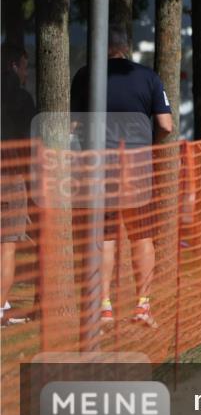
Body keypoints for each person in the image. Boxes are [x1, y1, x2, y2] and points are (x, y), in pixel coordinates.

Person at [69, 27, 173, 330]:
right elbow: (166, 124)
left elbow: (74, 125)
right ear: (125, 47)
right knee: (141, 234)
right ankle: (142, 306)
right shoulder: (149, 77)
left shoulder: (85, 76)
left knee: (105, 236)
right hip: (137, 167)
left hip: (100, 167)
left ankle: (104, 308)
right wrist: (148, 145)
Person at [1, 43, 36, 326]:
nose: (27, 73)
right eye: (25, 66)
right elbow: (30, 142)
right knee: (7, 246)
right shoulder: (22, 99)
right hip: (10, 178)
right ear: (14, 65)